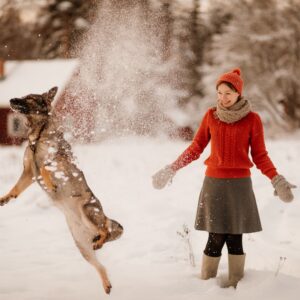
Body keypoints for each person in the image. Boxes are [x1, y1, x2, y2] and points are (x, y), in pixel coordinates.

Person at [152, 68, 296, 288]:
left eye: (227, 93)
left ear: (238, 93)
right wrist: (172, 168)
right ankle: (206, 286)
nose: (222, 98)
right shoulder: (211, 116)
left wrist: (276, 179)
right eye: (219, 93)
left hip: (240, 186)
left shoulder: (252, 120)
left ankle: (236, 286)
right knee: (215, 238)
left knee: (235, 239)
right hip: (214, 185)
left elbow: (260, 156)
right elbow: (196, 147)